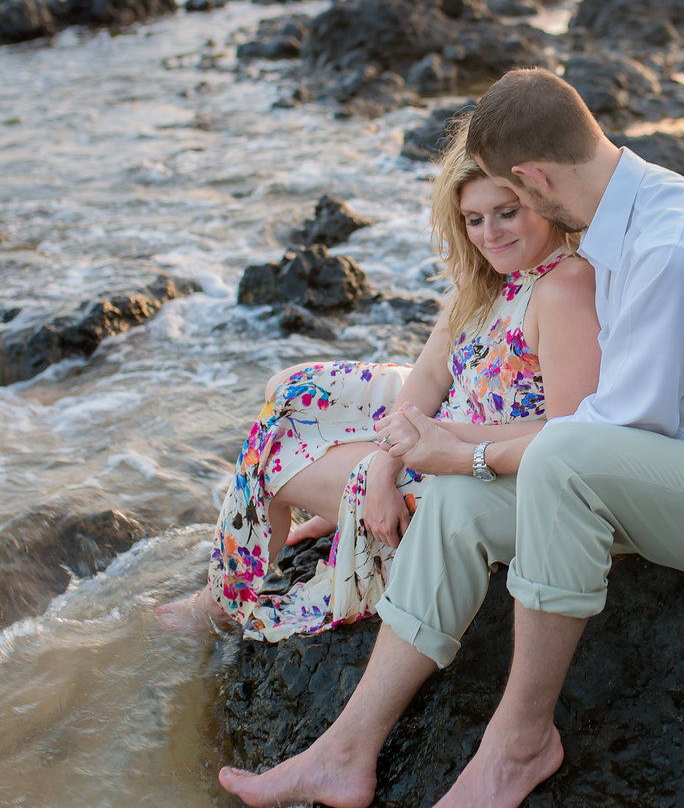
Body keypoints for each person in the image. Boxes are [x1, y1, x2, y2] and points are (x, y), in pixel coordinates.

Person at [218, 69, 684, 808]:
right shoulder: (637, 210)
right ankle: (346, 749)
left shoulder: (670, 247)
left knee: (555, 461)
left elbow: (610, 434)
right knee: (455, 505)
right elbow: (598, 430)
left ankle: (521, 740)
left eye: (511, 200)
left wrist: (465, 449)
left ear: (531, 178)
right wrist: (455, 464)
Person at [156, 120, 601, 638]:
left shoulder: (563, 289)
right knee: (288, 391)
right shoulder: (488, 275)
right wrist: (382, 463)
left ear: (539, 196)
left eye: (507, 213)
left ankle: (222, 602)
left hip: (477, 463)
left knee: (272, 460)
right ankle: (324, 512)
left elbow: (570, 436)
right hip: (448, 416)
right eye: (474, 219)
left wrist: (404, 457)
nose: (490, 234)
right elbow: (435, 368)